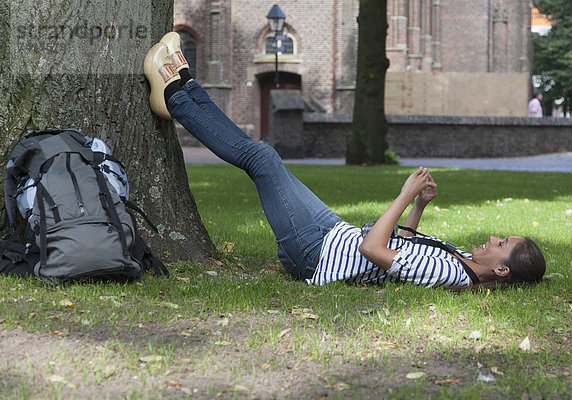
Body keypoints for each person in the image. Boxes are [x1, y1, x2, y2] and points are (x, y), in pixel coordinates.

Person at [144, 33, 547, 289]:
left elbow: (374, 250)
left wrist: (405, 195)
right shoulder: (458, 258)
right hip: (332, 231)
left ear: (502, 270)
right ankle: (186, 87)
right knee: (268, 159)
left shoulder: (451, 275)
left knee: (263, 159)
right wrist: (420, 208)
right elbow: (401, 247)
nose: (494, 238)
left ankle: (178, 95)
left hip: (315, 253)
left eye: (502, 244)